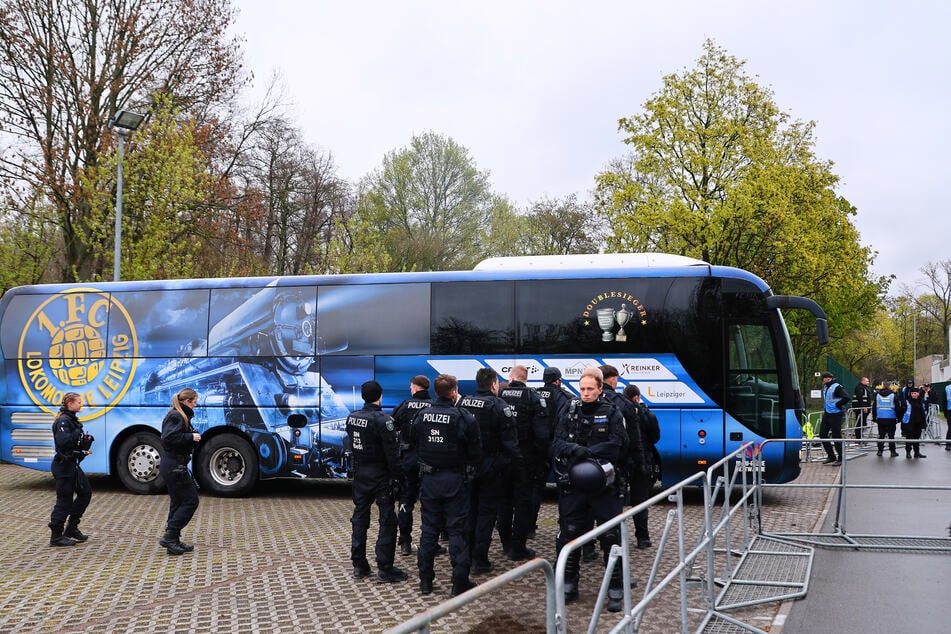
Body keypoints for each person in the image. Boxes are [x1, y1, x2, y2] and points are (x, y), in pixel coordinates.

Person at [550, 367, 627, 612]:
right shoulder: (568, 411)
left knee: (610, 536)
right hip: (574, 486)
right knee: (570, 534)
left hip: (605, 485)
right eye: (582, 388)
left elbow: (619, 444)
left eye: (590, 389)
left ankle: (615, 587)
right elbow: (557, 444)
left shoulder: (613, 412)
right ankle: (568, 584)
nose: (585, 393)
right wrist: (575, 449)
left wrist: (591, 453)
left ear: (600, 389)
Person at [408, 373, 482, 597]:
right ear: (453, 392)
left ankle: (426, 582)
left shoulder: (422, 416)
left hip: (429, 481)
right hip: (455, 482)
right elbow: (476, 452)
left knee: (428, 531)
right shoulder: (464, 417)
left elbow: (414, 443)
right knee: (457, 531)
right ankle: (459, 583)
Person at [458, 368, 519, 575]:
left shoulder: (463, 403)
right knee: (486, 513)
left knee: (470, 511)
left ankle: (465, 555)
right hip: (491, 469)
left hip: (468, 467)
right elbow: (510, 444)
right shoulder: (500, 406)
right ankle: (480, 559)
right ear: (494, 384)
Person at [346, 380, 407, 583]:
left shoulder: (352, 417)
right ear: (380, 396)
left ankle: (359, 565)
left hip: (361, 473)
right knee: (387, 521)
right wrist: (398, 476)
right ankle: (385, 567)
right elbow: (392, 454)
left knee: (359, 518)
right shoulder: (384, 420)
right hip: (381, 476)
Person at [497, 364, 548, 561]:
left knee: (504, 502)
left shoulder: (500, 397)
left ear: (511, 378)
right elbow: (542, 436)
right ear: (526, 378)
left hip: (502, 459)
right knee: (522, 503)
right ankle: (518, 548)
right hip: (525, 460)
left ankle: (505, 544)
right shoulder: (534, 398)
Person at [391, 375, 434, 556]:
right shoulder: (434, 406)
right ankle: (430, 542)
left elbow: (393, 426)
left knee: (406, 501)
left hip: (408, 461)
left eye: (411, 387)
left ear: (415, 388)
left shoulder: (404, 406)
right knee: (430, 503)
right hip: (428, 462)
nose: (410, 390)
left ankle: (405, 542)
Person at [158, 388, 202, 555]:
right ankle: (169, 537)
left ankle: (173, 540)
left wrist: (191, 437)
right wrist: (190, 437)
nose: (195, 405)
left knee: (177, 502)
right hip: (174, 466)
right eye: (194, 402)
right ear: (187, 402)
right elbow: (168, 438)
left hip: (175, 465)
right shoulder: (177, 416)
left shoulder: (179, 415)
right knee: (191, 501)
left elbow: (176, 438)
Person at [48, 392, 94, 546]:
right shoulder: (62, 421)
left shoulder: (72, 420)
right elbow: (64, 442)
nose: (81, 404)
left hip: (72, 465)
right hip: (63, 466)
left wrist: (84, 445)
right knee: (64, 500)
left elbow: (74, 443)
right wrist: (78, 439)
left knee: (85, 493)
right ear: (70, 404)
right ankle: (56, 536)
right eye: (79, 402)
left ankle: (72, 528)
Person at [624, 383, 661, 548]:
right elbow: (655, 438)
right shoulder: (648, 415)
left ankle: (614, 537)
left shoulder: (618, 412)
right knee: (640, 501)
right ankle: (642, 538)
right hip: (642, 461)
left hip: (624, 461)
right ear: (637, 397)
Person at [819, 372, 850, 465]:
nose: (822, 380)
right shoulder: (826, 387)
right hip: (827, 413)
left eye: (823, 378)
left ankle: (841, 458)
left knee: (836, 436)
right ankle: (831, 456)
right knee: (822, 434)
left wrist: (837, 404)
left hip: (836, 414)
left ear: (828, 379)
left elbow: (846, 397)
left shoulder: (837, 387)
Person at [872, 382, 899, 457]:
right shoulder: (893, 396)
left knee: (881, 435)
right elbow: (897, 408)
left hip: (880, 418)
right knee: (891, 436)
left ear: (883, 387)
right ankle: (893, 452)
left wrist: (874, 418)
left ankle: (880, 451)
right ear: (890, 387)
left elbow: (874, 408)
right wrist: (898, 418)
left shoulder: (877, 396)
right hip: (891, 418)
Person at [899, 385, 927, 459]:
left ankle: (917, 453)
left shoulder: (921, 401)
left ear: (918, 393)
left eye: (915, 393)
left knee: (917, 439)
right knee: (909, 439)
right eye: (912, 393)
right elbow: (902, 413)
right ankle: (908, 453)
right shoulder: (907, 401)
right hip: (909, 424)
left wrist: (924, 424)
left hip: (918, 423)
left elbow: (923, 413)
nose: (913, 395)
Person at [852, 376, 874, 441]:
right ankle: (858, 439)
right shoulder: (860, 388)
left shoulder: (863, 388)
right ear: (863, 381)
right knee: (860, 423)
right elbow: (860, 398)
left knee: (862, 423)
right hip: (860, 409)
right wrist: (864, 406)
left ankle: (860, 437)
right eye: (867, 381)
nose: (868, 382)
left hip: (862, 408)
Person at [945, 382, 951, 451]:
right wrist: (945, 413)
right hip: (949, 410)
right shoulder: (947, 388)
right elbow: (944, 400)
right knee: (950, 428)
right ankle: (948, 444)